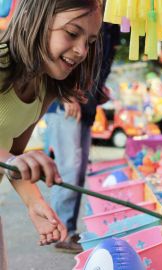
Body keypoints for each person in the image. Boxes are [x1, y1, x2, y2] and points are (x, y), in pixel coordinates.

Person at [0, 0, 103, 267]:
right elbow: (10, 160)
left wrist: (33, 202)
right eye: (71, 33)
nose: (81, 50)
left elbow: (13, 152)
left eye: (90, 41)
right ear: (37, 19)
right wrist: (12, 162)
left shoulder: (46, 88)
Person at [44, 21, 120, 253]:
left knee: (77, 170)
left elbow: (98, 64)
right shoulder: (82, 11)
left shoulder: (112, 21)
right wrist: (62, 95)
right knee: (69, 169)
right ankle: (62, 231)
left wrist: (98, 91)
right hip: (66, 103)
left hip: (86, 105)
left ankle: (69, 231)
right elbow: (50, 49)